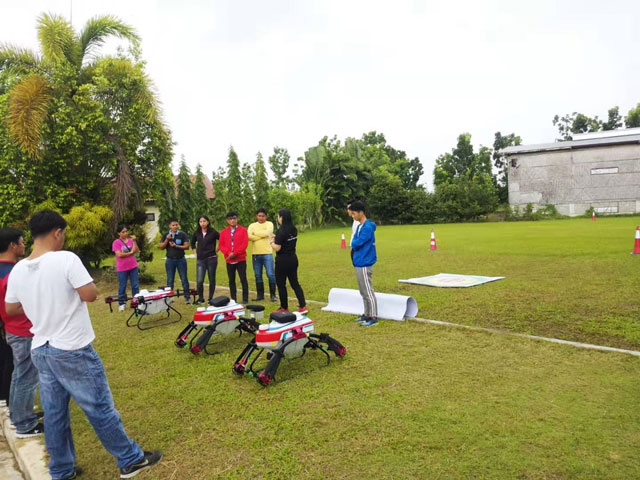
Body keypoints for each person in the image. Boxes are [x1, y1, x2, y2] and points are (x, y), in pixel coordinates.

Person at [5, 210, 161, 480]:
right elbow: (90, 294)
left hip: (41, 347)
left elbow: (10, 307)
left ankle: (61, 470)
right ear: (57, 232)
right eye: (63, 234)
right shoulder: (66, 259)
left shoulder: (19, 269)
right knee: (99, 406)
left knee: (54, 414)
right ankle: (130, 459)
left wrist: (37, 302)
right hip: (72, 349)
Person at [0, 228, 41, 438]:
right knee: (26, 376)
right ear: (12, 245)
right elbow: (16, 304)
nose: (24, 246)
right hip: (23, 329)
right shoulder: (11, 273)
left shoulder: (4, 270)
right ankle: (25, 424)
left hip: (11, 328)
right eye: (22, 242)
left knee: (19, 374)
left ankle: (18, 415)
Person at [271, 209, 308, 315]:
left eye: (278, 216)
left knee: (281, 284)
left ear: (281, 217)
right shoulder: (293, 229)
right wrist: (276, 238)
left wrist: (271, 242)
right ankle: (302, 306)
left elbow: (277, 247)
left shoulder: (281, 230)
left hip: (282, 260)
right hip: (293, 258)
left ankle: (284, 307)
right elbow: (285, 240)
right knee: (295, 283)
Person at [349, 200, 378, 327]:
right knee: (363, 290)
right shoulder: (359, 226)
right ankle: (366, 314)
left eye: (354, 213)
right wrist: (354, 242)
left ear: (361, 212)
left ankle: (373, 316)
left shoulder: (367, 227)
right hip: (359, 261)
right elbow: (354, 241)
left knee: (368, 291)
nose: (353, 216)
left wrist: (354, 243)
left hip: (365, 262)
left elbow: (356, 242)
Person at [218, 212, 249, 304]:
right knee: (231, 280)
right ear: (227, 220)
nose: (232, 220)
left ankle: (245, 298)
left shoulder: (243, 230)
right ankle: (234, 299)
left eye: (234, 218)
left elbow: (244, 244)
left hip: (240, 259)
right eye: (230, 219)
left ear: (237, 219)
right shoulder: (223, 232)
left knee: (243, 278)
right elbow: (221, 245)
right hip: (229, 259)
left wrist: (235, 253)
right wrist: (228, 253)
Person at [247, 208, 277, 302]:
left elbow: (268, 232)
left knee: (270, 274)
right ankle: (260, 295)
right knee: (258, 275)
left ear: (266, 216)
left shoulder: (269, 224)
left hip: (267, 253)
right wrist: (262, 236)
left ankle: (273, 295)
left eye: (263, 216)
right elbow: (248, 236)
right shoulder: (252, 225)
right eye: (259, 216)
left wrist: (255, 234)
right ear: (256, 216)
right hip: (256, 254)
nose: (261, 218)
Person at [158, 219, 191, 303]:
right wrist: (166, 240)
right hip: (170, 260)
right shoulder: (166, 234)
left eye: (176, 225)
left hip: (181, 259)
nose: (175, 226)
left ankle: (187, 297)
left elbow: (187, 246)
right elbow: (161, 247)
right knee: (170, 279)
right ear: (170, 226)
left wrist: (176, 246)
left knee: (184, 278)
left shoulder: (182, 234)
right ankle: (169, 298)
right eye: (173, 225)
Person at [190, 216, 220, 305]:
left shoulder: (213, 232)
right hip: (201, 259)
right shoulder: (197, 233)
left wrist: (217, 250)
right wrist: (195, 252)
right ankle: (201, 298)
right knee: (199, 280)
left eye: (204, 221)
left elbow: (222, 240)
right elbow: (192, 243)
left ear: (208, 222)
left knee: (211, 279)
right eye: (200, 221)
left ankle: (210, 298)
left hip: (211, 258)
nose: (202, 223)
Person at [112, 225, 139, 312]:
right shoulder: (116, 242)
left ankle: (136, 301)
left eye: (126, 231)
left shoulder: (131, 240)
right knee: (122, 286)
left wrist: (134, 242)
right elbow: (119, 254)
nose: (125, 233)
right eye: (123, 232)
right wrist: (130, 253)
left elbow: (136, 250)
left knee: (135, 285)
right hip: (122, 268)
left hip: (133, 266)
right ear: (119, 233)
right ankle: (122, 303)